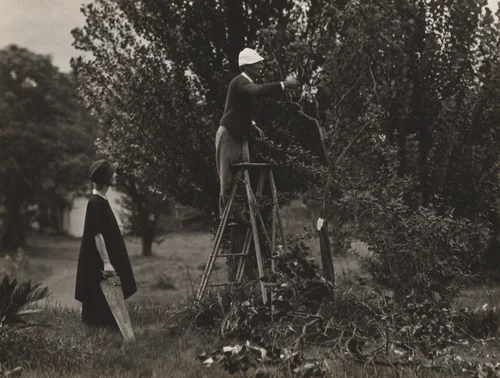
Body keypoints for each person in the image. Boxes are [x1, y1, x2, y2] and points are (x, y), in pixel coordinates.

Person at [216, 47, 299, 224]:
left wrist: (252, 124)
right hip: (229, 135)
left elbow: (239, 108)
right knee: (227, 177)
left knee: (241, 176)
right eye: (257, 63)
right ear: (246, 66)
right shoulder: (240, 82)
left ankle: (239, 213)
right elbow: (257, 91)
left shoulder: (244, 84)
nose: (261, 65)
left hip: (240, 135)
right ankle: (227, 216)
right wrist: (283, 84)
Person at [75, 159, 137, 328]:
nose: (115, 174)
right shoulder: (95, 203)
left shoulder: (101, 199)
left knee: (106, 296)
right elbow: (97, 235)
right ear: (104, 179)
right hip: (98, 258)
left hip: (103, 256)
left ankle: (107, 326)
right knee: (97, 293)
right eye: (112, 173)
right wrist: (107, 262)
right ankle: (98, 329)